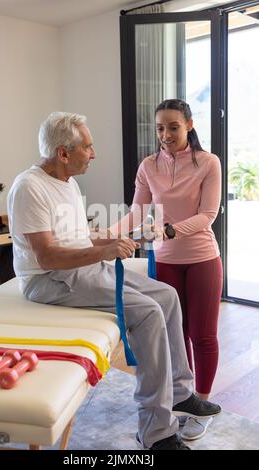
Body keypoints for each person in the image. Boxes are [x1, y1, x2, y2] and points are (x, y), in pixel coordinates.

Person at [7, 111, 221, 451]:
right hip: (49, 280)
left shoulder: (67, 182)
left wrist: (106, 243)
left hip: (80, 269)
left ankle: (180, 393)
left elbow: (75, 240)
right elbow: (47, 257)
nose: (93, 155)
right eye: (88, 148)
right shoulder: (30, 188)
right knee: (148, 312)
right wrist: (106, 251)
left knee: (166, 296)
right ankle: (155, 431)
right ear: (63, 153)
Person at [111, 99, 223, 441]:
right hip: (165, 261)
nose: (165, 134)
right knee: (176, 335)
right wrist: (104, 235)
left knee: (201, 335)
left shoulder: (208, 163)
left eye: (173, 127)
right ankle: (181, 399)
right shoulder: (148, 166)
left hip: (202, 258)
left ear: (189, 124)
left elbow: (208, 215)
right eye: (160, 128)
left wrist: (170, 230)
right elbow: (135, 213)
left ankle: (201, 404)